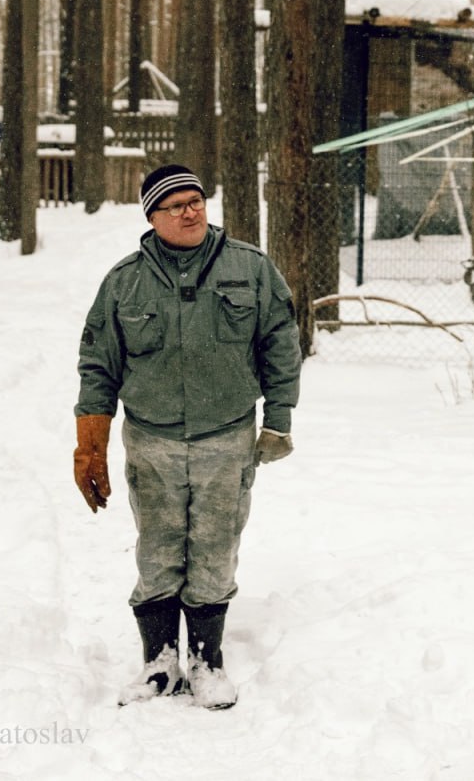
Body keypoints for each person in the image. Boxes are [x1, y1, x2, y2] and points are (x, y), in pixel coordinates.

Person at [72, 164, 301, 710]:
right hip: (152, 441)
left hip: (227, 435)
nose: (190, 210)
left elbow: (281, 344)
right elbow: (98, 365)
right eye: (174, 205)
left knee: (215, 550)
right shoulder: (123, 281)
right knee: (157, 551)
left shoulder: (250, 268)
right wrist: (90, 445)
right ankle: (159, 663)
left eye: (196, 199)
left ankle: (205, 660)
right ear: (152, 217)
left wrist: (280, 418)